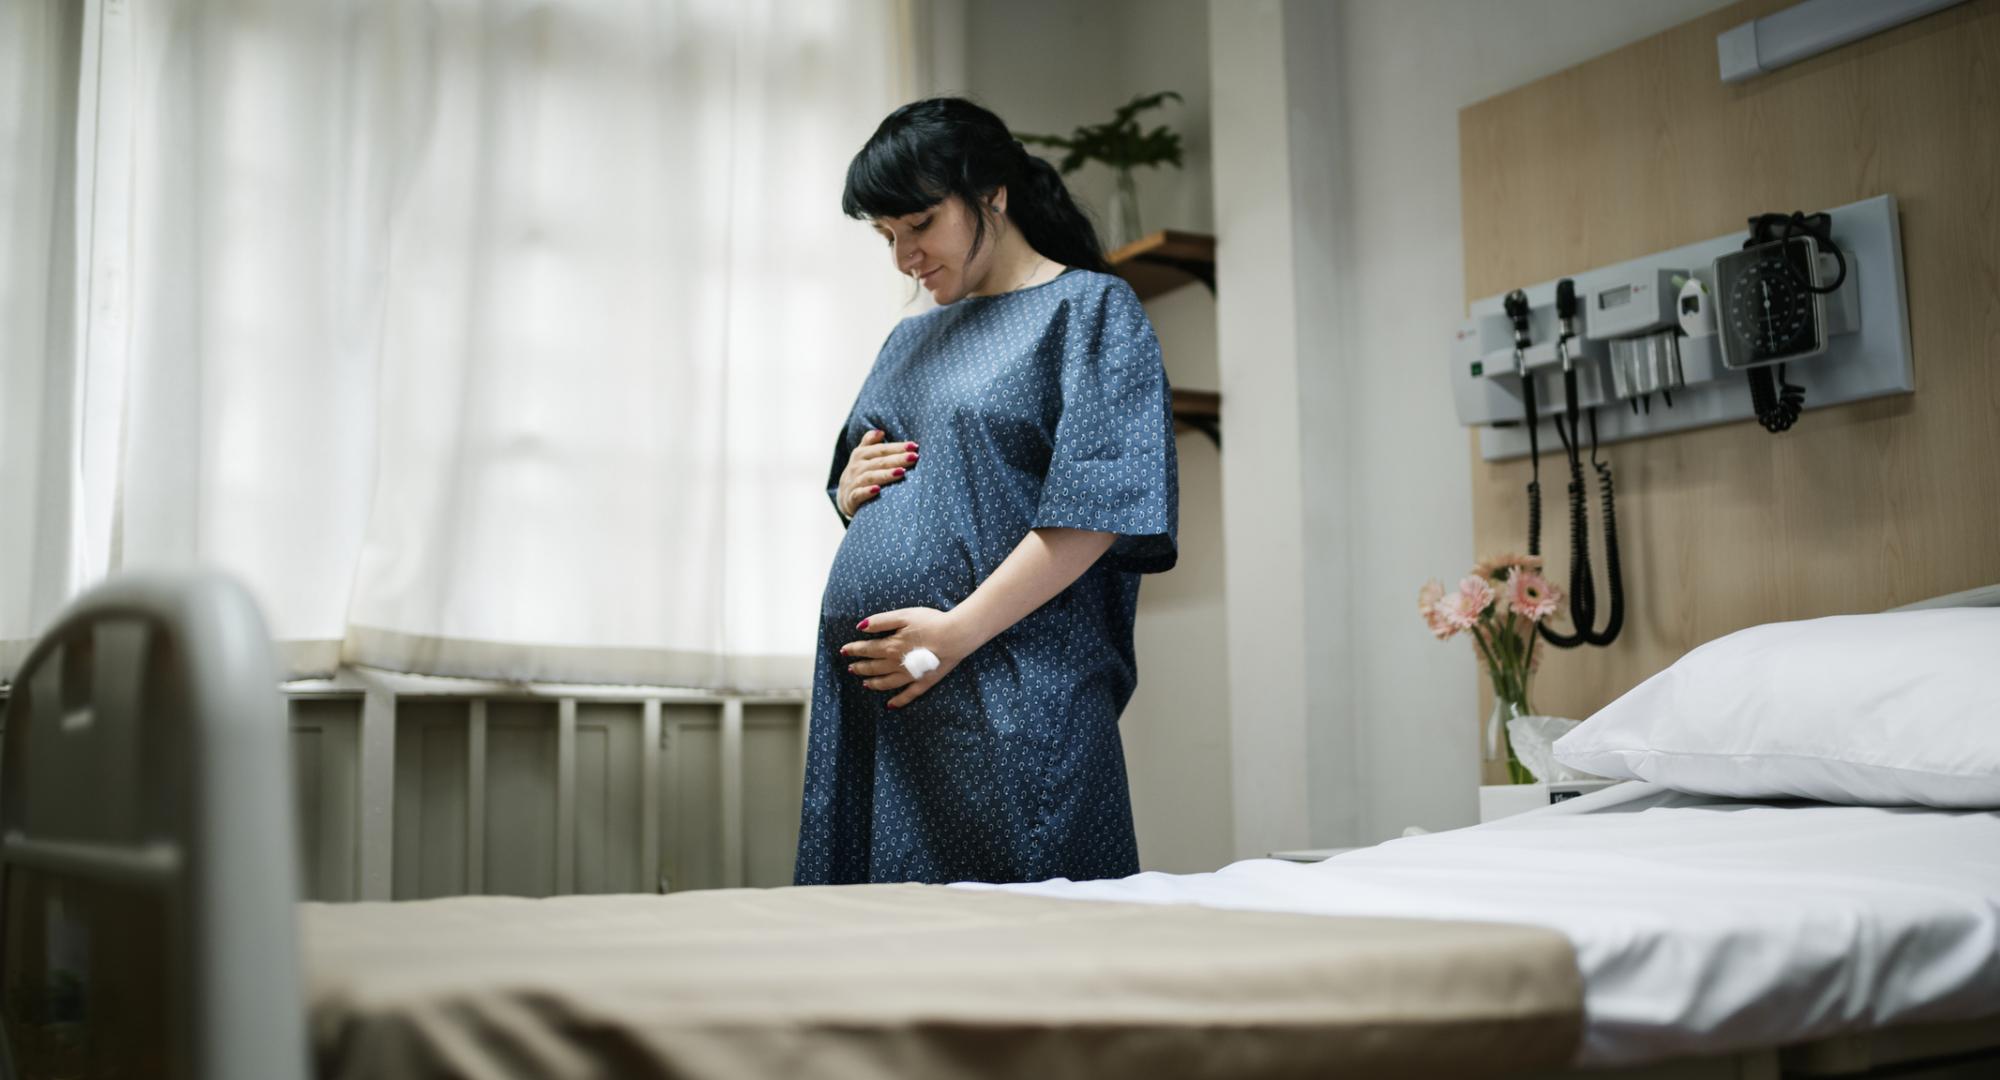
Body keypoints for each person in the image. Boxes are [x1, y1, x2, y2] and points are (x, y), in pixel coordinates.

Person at [794, 97, 1178, 886]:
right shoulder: (911, 337)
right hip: (886, 698)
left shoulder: (1090, 311)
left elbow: (1096, 513)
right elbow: (868, 477)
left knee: (1020, 955)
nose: (904, 256)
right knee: (879, 953)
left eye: (919, 225)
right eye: (886, 236)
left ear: (992, 195)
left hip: (1007, 689)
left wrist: (950, 637)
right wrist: (847, 491)